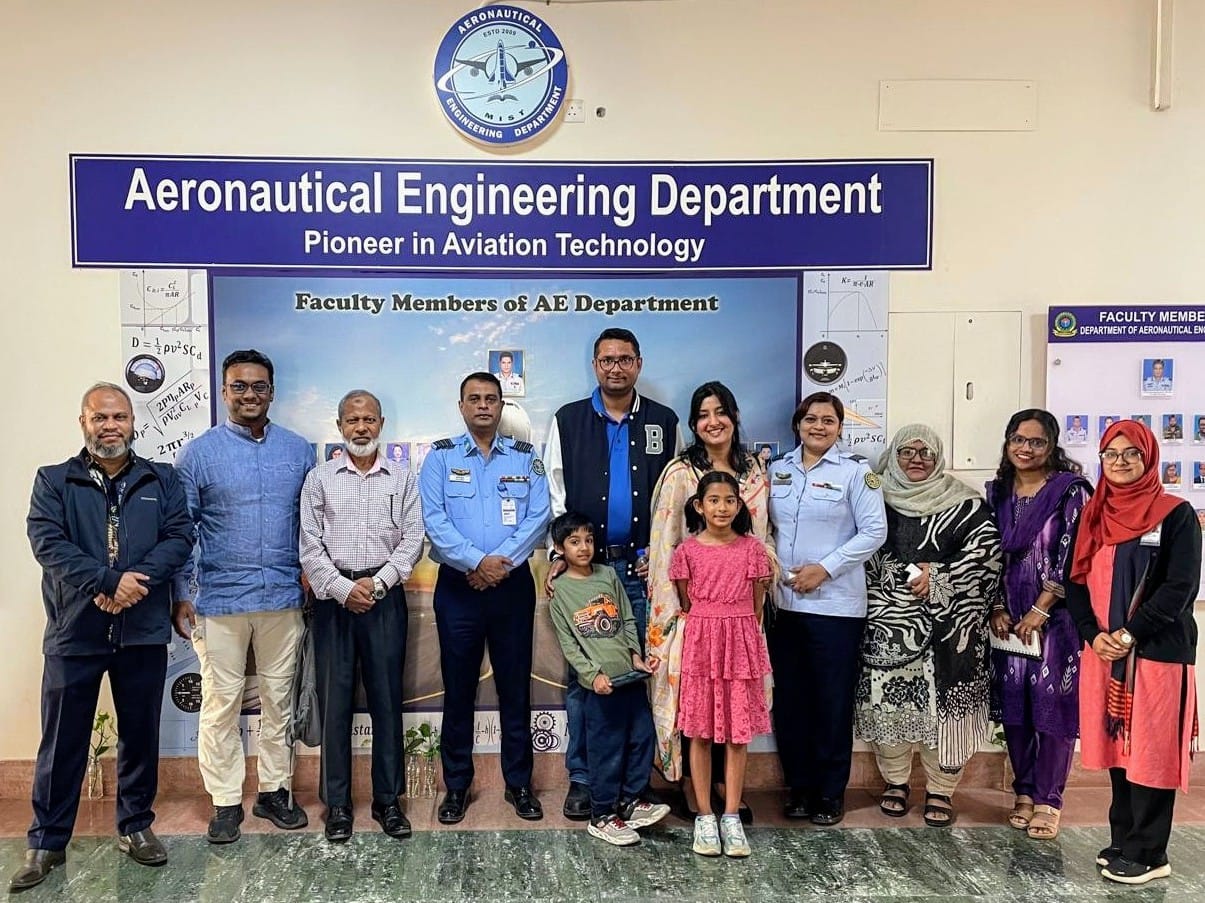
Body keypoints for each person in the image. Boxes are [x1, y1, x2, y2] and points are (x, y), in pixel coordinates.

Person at [11, 383, 193, 891]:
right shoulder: (54, 480)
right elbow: (48, 543)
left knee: (140, 735)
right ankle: (47, 842)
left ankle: (135, 827)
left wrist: (133, 584)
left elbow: (179, 536)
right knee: (62, 740)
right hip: (76, 631)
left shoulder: (162, 479)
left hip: (142, 630)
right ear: (83, 423)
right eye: (100, 417)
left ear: (133, 421)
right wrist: (108, 582)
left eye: (119, 417)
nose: (110, 426)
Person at [172, 349, 314, 843]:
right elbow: (182, 530)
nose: (249, 394)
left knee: (279, 702)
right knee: (220, 705)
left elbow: (311, 524)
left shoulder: (299, 451)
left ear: (272, 392)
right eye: (239, 386)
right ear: (224, 391)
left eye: (258, 386)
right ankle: (225, 801)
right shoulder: (198, 455)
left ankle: (274, 792)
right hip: (219, 601)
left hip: (283, 599)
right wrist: (180, 593)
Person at [544, 327, 679, 820]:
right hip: (589, 573)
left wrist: (660, 555)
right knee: (588, 680)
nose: (615, 367)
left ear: (638, 364)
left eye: (624, 359)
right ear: (595, 366)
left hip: (644, 574)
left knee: (640, 672)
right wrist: (562, 554)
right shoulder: (568, 420)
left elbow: (674, 496)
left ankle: (634, 784)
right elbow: (556, 493)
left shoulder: (664, 421)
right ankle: (583, 780)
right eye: (607, 360)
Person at [1065, 421, 1200, 885]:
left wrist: (1129, 634)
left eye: (1131, 454)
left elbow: (1179, 588)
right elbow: (1074, 580)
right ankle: (1124, 840)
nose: (1120, 462)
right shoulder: (1095, 514)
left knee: (1151, 749)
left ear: (1149, 458)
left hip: (1156, 653)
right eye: (1111, 453)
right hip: (1105, 653)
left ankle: (1150, 853)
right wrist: (1092, 634)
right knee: (1118, 746)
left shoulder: (1175, 514)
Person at [419, 372, 550, 824]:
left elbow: (539, 516)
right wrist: (476, 562)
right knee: (458, 691)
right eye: (473, 398)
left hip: (511, 587)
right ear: (461, 406)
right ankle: (456, 786)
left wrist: (498, 565)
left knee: (515, 689)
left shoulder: (526, 457)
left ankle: (519, 784)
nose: (482, 406)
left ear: (501, 406)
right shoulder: (440, 458)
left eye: (491, 399)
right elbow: (434, 519)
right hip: (459, 588)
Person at [855, 424, 1001, 827]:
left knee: (944, 712)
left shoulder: (966, 504)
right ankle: (896, 782)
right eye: (907, 451)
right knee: (889, 706)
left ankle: (941, 789)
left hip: (949, 633)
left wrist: (939, 576)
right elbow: (858, 549)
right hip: (887, 628)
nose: (916, 459)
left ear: (938, 457)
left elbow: (988, 556)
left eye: (926, 453)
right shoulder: (874, 498)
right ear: (893, 455)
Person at [299, 390, 424, 843]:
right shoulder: (319, 479)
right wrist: (343, 589)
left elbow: (413, 540)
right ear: (339, 426)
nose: (361, 428)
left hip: (383, 599)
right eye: (353, 420)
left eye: (369, 419)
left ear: (381, 424)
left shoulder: (402, 478)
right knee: (335, 704)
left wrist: (378, 584)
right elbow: (309, 547)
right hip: (334, 603)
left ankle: (388, 802)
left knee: (387, 702)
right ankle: (337, 804)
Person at [646, 381, 770, 820]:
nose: (713, 422)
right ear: (693, 424)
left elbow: (762, 536)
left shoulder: (754, 471)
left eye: (720, 412)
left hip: (741, 608)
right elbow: (666, 544)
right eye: (703, 415)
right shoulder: (681, 472)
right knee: (693, 697)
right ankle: (690, 786)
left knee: (733, 695)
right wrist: (675, 615)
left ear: (734, 417)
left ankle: (726, 790)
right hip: (693, 612)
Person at [767, 391, 887, 825]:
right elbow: (765, 527)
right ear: (797, 424)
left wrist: (825, 569)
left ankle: (830, 792)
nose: (818, 426)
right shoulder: (776, 470)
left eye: (828, 420)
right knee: (790, 701)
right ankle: (798, 788)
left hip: (835, 608)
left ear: (839, 427)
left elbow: (874, 531)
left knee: (831, 702)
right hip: (784, 605)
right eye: (810, 419)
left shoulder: (856, 472)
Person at [985, 408, 1092, 841]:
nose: (1025, 449)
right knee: (1015, 709)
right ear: (1007, 442)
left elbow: (1074, 553)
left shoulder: (1069, 491)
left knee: (1053, 707)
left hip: (1056, 620)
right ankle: (1024, 793)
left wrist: (1042, 607)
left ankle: (1049, 800)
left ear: (1051, 446)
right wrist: (996, 606)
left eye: (1036, 442)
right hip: (1008, 618)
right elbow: (988, 555)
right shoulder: (997, 493)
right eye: (1018, 439)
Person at [547, 511, 669, 847]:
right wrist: (593, 675)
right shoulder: (560, 590)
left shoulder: (608, 574)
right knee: (606, 750)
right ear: (560, 548)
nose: (584, 547)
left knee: (642, 737)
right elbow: (569, 644)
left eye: (588, 540)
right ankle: (601, 814)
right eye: (574, 542)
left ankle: (631, 800)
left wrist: (635, 655)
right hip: (601, 687)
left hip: (629, 677)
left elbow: (627, 618)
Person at [670, 472, 773, 858]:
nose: (722, 508)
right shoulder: (687, 552)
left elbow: (757, 605)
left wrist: (739, 632)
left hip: (740, 645)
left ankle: (731, 815)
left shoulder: (752, 550)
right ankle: (704, 816)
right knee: (699, 732)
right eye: (713, 500)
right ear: (699, 506)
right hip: (701, 645)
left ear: (739, 505)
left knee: (737, 735)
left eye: (730, 500)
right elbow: (686, 603)